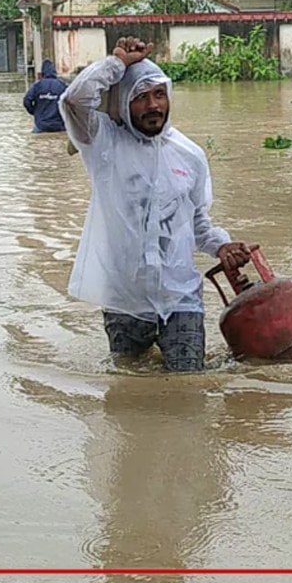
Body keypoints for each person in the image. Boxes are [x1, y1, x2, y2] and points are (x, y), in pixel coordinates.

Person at [57, 36, 251, 372]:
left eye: (159, 94)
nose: (153, 106)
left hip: (181, 298)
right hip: (124, 300)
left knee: (189, 386)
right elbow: (75, 100)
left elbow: (197, 223)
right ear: (123, 104)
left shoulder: (190, 156)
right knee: (127, 387)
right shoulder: (103, 144)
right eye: (141, 97)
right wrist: (117, 63)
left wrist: (221, 246)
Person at [23, 59, 67, 133]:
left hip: (41, 125)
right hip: (59, 125)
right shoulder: (62, 86)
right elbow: (72, 101)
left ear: (42, 72)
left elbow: (26, 100)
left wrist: (34, 111)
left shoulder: (37, 85)